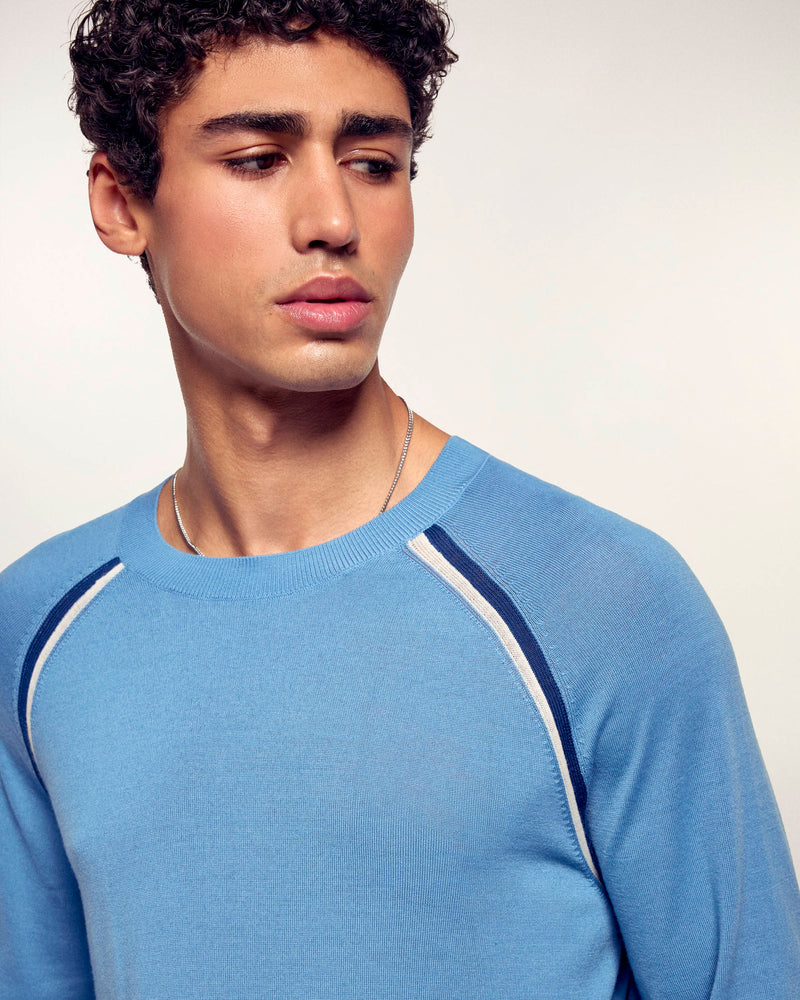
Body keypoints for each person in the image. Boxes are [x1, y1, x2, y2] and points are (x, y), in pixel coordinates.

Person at [1, 0, 798, 997]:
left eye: (374, 164)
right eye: (258, 159)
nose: (334, 222)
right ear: (122, 203)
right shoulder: (39, 628)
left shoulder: (601, 602)